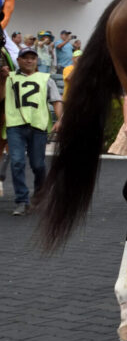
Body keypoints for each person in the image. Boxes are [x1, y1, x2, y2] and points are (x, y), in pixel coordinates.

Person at [4, 46, 62, 216]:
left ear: (37, 60)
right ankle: (22, 200)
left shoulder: (46, 78)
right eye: (25, 57)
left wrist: (60, 119)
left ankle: (39, 193)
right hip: (15, 126)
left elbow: (56, 101)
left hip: (38, 126)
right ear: (18, 60)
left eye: (32, 58)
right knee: (17, 162)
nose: (29, 60)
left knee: (38, 164)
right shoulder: (8, 78)